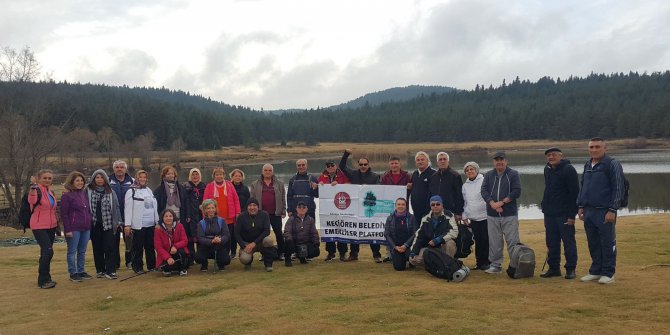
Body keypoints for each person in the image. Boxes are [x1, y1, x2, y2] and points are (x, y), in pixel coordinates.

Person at [577, 138, 625, 284]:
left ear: (605, 148)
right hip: (589, 211)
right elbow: (583, 186)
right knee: (593, 242)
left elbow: (618, 187)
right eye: (591, 147)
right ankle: (596, 270)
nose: (594, 149)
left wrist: (612, 209)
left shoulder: (612, 164)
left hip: (605, 211)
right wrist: (580, 206)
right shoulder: (587, 164)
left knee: (607, 242)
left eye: (598, 147)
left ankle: (608, 273)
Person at [540, 148, 580, 279]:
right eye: (548, 155)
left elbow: (574, 193)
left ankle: (570, 269)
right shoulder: (547, 169)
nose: (551, 157)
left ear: (561, 156)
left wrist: (571, 215)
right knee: (551, 242)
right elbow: (548, 189)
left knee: (568, 242)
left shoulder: (568, 169)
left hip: (564, 213)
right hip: (549, 213)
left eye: (554, 155)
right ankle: (554, 268)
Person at [480, 151, 522, 274]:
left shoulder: (513, 174)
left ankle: (515, 266)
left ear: (506, 161)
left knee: (512, 241)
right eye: (496, 160)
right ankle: (496, 265)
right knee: (494, 241)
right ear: (494, 162)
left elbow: (516, 191)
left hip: (509, 214)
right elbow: (484, 191)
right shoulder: (488, 175)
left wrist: (502, 202)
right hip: (492, 214)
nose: (499, 162)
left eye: (501, 159)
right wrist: (492, 203)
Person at [339, 148, 381, 262]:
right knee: (354, 230)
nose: (363, 166)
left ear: (368, 165)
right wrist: (346, 154)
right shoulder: (353, 174)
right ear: (358, 165)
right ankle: (353, 254)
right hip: (355, 208)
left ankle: (376, 254)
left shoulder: (375, 176)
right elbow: (342, 167)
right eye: (361, 164)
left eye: (365, 164)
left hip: (369, 208)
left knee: (372, 231)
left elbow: (379, 192)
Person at [87, 169, 123, 280]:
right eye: (97, 177)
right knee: (97, 248)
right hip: (94, 224)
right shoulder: (88, 190)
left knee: (110, 247)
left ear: (105, 179)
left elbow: (116, 207)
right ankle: (100, 270)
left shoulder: (111, 192)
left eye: (101, 177)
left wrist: (118, 222)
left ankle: (111, 271)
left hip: (108, 224)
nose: (99, 180)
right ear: (93, 179)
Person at [28, 170, 59, 289]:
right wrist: (32, 188)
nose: (47, 180)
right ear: (39, 178)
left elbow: (53, 209)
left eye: (49, 178)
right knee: (48, 251)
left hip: (51, 226)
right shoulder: (37, 190)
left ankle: (46, 278)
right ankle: (43, 280)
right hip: (39, 225)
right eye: (45, 178)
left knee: (44, 252)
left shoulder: (50, 191)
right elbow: (32, 200)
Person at [60, 171, 93, 282]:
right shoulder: (67, 196)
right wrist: (67, 229)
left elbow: (87, 210)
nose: (80, 182)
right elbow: (64, 214)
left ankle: (81, 271)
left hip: (85, 227)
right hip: (73, 228)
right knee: (72, 251)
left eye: (81, 180)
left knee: (82, 251)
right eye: (77, 180)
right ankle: (73, 273)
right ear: (71, 181)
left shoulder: (83, 194)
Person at [124, 170, 159, 273]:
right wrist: (127, 225)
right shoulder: (131, 191)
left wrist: (157, 222)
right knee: (137, 247)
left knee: (150, 246)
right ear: (137, 178)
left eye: (144, 177)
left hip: (151, 224)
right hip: (138, 225)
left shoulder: (149, 190)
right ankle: (137, 267)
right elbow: (128, 209)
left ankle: (151, 266)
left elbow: (154, 207)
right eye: (140, 177)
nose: (143, 179)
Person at [249, 164, 286, 261]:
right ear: (262, 171)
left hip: (275, 213)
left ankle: (281, 253)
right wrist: (252, 212)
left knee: (279, 234)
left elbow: (283, 198)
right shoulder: (255, 184)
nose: (268, 172)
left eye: (270, 170)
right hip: (261, 214)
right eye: (266, 170)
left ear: (272, 172)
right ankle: (264, 254)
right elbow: (252, 199)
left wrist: (283, 210)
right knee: (263, 235)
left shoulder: (280, 183)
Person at [409, 196, 459, 266]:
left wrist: (438, 240)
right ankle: (435, 264)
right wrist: (413, 252)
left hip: (443, 247)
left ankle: (448, 265)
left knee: (450, 243)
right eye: (433, 205)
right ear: (430, 206)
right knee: (413, 260)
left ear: (442, 205)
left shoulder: (449, 215)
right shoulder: (425, 218)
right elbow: (419, 236)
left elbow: (454, 232)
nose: (435, 206)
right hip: (430, 248)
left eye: (438, 204)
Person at [203, 167, 241, 259]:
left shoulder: (229, 185)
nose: (219, 176)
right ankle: (220, 254)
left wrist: (238, 212)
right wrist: (205, 215)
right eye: (217, 175)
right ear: (214, 176)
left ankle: (229, 254)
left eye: (221, 174)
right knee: (218, 236)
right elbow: (205, 201)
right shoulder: (209, 186)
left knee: (228, 236)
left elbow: (236, 199)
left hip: (229, 217)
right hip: (215, 218)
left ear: (224, 175)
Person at [380, 156, 411, 262]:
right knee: (390, 230)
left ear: (400, 164)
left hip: (403, 206)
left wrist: (410, 187)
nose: (394, 165)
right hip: (389, 206)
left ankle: (407, 251)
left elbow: (411, 190)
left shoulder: (407, 175)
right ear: (389, 165)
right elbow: (381, 190)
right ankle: (389, 253)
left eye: (396, 163)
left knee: (404, 230)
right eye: (392, 163)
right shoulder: (385, 176)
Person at [318, 160, 350, 261]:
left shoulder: (342, 175)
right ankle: (331, 253)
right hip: (328, 209)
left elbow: (350, 186)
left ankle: (342, 253)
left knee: (342, 230)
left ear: (336, 166)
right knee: (329, 229)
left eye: (332, 165)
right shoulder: (322, 176)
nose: (330, 167)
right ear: (326, 167)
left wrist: (339, 185)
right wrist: (320, 184)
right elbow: (318, 190)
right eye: (328, 166)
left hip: (341, 208)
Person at [461, 161, 490, 271]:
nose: (469, 171)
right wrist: (464, 216)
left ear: (476, 170)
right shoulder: (465, 186)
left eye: (471, 169)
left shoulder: (484, 181)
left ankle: (487, 262)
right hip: (473, 218)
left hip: (485, 216)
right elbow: (464, 202)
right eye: (467, 170)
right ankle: (479, 262)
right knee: (478, 240)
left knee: (486, 239)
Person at [235, 198, 277, 272]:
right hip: (247, 243)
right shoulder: (241, 217)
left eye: (254, 205)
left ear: (258, 207)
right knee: (245, 259)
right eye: (250, 205)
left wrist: (254, 243)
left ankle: (268, 264)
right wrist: (243, 246)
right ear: (247, 207)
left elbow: (267, 231)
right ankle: (248, 262)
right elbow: (236, 233)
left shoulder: (264, 214)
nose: (252, 207)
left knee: (269, 240)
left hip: (260, 242)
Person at [108, 160, 134, 269]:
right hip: (112, 216)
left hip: (128, 215)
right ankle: (115, 263)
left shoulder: (132, 181)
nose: (119, 169)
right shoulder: (108, 181)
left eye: (122, 167)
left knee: (129, 240)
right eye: (117, 167)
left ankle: (130, 262)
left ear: (125, 169)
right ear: (114, 169)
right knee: (114, 241)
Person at [196, 199, 231, 272]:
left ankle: (220, 263)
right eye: (208, 208)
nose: (211, 210)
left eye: (212, 208)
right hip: (206, 247)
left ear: (215, 209)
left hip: (219, 245)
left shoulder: (222, 221)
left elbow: (226, 235)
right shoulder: (201, 223)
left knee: (226, 260)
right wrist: (211, 241)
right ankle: (204, 264)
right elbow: (200, 238)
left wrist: (220, 239)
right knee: (198, 258)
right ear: (204, 210)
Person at [429, 152, 464, 222]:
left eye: (444, 159)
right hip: (436, 212)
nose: (442, 161)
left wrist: (458, 212)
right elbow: (430, 194)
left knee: (451, 232)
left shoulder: (455, 176)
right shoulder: (433, 177)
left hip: (451, 211)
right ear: (437, 162)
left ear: (448, 161)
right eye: (440, 159)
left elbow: (460, 196)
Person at [283, 201, 320, 266]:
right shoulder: (291, 219)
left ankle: (302, 258)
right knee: (287, 242)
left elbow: (314, 233)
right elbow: (287, 231)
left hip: (305, 243)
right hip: (294, 243)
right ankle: (287, 259)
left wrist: (316, 242)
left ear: (307, 209)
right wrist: (290, 239)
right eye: (299, 207)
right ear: (296, 209)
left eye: (304, 207)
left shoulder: (310, 220)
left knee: (315, 252)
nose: (301, 209)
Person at [384, 198, 417, 271]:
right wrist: (394, 247)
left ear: (406, 206)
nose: (400, 206)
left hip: (409, 246)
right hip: (397, 247)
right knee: (399, 268)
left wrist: (405, 245)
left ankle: (409, 259)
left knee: (414, 260)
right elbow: (387, 234)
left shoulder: (412, 217)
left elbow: (415, 233)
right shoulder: (390, 218)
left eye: (403, 204)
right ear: (395, 206)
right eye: (398, 204)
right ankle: (402, 259)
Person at [154, 209, 189, 276]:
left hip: (177, 252)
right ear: (162, 218)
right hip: (165, 254)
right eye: (166, 216)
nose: (168, 218)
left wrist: (175, 246)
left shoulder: (179, 226)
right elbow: (158, 247)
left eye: (170, 216)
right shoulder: (158, 229)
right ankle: (167, 269)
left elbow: (185, 240)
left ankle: (182, 269)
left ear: (173, 217)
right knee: (167, 269)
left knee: (182, 252)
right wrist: (168, 257)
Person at [183, 168, 206, 264]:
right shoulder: (185, 187)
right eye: (193, 174)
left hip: (201, 215)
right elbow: (184, 201)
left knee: (201, 236)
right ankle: (190, 258)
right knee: (190, 238)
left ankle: (200, 257)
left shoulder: (204, 186)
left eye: (197, 174)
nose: (195, 176)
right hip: (189, 215)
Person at [408, 151, 436, 229]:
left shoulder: (433, 174)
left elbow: (435, 193)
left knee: (428, 232)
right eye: (418, 160)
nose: (420, 162)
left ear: (428, 161)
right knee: (418, 232)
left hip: (429, 211)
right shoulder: (414, 174)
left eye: (422, 159)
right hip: (416, 210)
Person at [230, 168, 250, 258]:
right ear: (232, 177)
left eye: (239, 176)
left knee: (243, 233)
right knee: (232, 234)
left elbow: (248, 201)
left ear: (242, 177)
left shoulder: (245, 188)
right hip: (231, 215)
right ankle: (233, 252)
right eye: (236, 176)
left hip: (243, 214)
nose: (237, 177)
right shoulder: (229, 187)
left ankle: (244, 250)